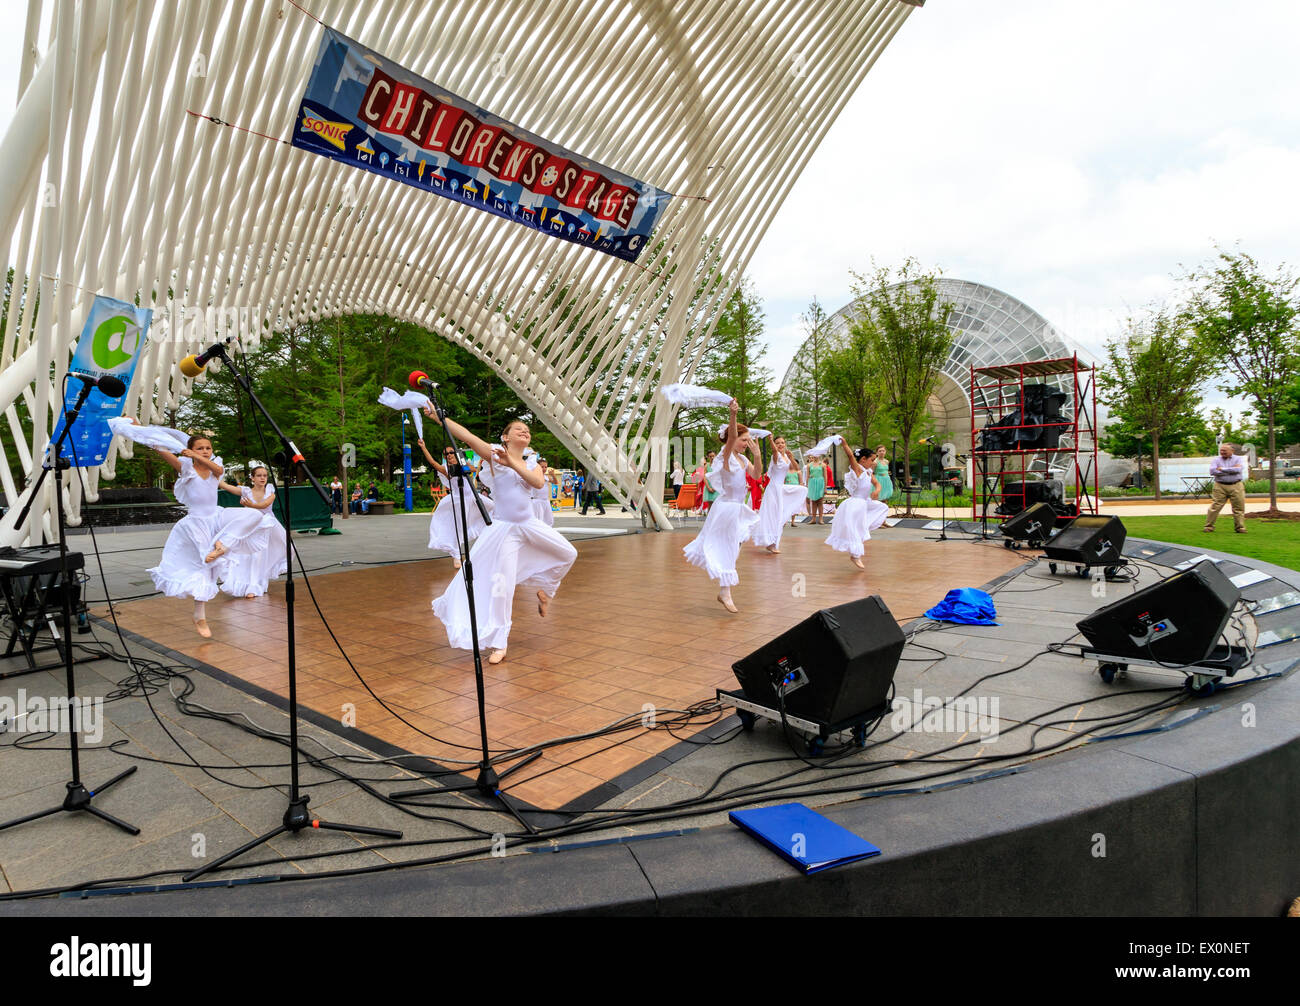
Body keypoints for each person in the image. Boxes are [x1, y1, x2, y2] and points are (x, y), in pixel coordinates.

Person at [431, 416, 577, 665]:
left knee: (569, 553)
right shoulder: (495, 455)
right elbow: (466, 435)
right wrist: (439, 417)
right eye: (518, 429)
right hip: (505, 530)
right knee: (503, 587)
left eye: (527, 430)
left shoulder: (531, 462)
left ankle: (546, 590)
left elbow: (538, 482)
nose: (525, 432)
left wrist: (512, 462)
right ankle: (500, 643)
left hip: (529, 524)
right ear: (505, 437)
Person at [141, 431, 270, 637]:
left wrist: (198, 456)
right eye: (200, 448)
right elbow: (160, 447)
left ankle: (223, 545)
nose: (205, 451)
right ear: (190, 450)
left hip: (216, 518)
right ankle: (199, 615)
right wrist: (140, 428)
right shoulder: (186, 468)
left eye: (208, 448)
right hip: (197, 523)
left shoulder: (215, 468)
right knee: (205, 566)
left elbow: (218, 470)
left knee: (255, 517)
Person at [684, 399, 761, 612]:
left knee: (735, 545)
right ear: (732, 440)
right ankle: (725, 592)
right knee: (729, 546)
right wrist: (733, 414)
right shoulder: (724, 457)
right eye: (744, 440)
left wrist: (757, 455)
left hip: (738, 508)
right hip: (727, 507)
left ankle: (724, 590)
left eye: (747, 440)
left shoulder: (743, 460)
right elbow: (733, 436)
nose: (746, 443)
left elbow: (757, 475)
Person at [418, 440, 495, 568]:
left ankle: (485, 539)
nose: (449, 455)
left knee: (495, 508)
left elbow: (474, 469)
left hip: (473, 497)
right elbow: (432, 463)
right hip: (458, 500)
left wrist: (470, 465)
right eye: (446, 454)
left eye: (451, 452)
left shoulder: (464, 464)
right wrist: (424, 447)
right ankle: (456, 556)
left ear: (455, 453)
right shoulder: (446, 469)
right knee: (459, 527)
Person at [218, 465, 288, 598]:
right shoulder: (246, 491)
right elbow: (225, 486)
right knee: (245, 556)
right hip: (249, 526)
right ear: (252, 478)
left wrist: (252, 505)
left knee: (259, 556)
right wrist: (214, 474)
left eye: (265, 475)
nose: (262, 478)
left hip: (265, 526)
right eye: (259, 475)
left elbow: (265, 505)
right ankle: (242, 584)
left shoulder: (270, 491)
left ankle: (256, 585)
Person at [826, 444, 889, 569]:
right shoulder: (858, 470)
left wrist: (877, 490)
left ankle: (856, 552)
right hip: (854, 505)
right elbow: (850, 455)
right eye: (872, 460)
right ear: (863, 459)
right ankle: (855, 555)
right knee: (853, 529)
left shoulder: (868, 472)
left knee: (882, 508)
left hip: (864, 503)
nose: (873, 463)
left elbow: (876, 483)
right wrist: (844, 444)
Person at [752, 436, 808, 552]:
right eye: (778, 443)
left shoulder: (786, 456)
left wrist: (792, 458)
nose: (780, 445)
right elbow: (773, 450)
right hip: (773, 489)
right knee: (773, 515)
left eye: (782, 443)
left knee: (802, 491)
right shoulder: (775, 456)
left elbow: (797, 469)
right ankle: (771, 543)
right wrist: (771, 439)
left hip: (780, 488)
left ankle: (773, 542)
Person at [1205, 443, 1248, 533]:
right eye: (1221, 450)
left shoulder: (1238, 459)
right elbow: (1212, 471)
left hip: (1236, 485)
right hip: (1220, 486)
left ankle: (1240, 528)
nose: (1222, 452)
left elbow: (1238, 470)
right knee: (1215, 507)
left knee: (1238, 507)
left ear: (1232, 451)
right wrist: (1231, 470)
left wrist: (1222, 469)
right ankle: (1209, 526)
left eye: (1224, 450)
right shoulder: (1216, 460)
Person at [806, 455, 827, 525]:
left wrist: (825, 487)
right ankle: (813, 518)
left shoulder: (823, 465)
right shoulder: (809, 465)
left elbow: (825, 477)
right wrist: (807, 485)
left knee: (820, 501)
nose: (815, 456)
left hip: (820, 483)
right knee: (813, 501)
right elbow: (807, 476)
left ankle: (821, 519)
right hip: (812, 483)